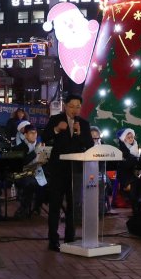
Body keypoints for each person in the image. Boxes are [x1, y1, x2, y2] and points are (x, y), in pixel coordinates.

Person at [42, 94, 93, 252]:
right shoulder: (56, 119)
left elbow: (90, 145)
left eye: (78, 107)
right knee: (55, 205)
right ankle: (53, 240)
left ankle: (70, 238)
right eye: (72, 106)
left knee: (73, 206)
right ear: (66, 106)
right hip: (58, 170)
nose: (75, 110)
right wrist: (57, 129)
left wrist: (79, 133)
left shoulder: (83, 124)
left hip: (75, 170)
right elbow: (45, 137)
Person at [11, 124, 44, 218]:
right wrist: (34, 152)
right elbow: (21, 163)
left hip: (37, 171)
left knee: (46, 183)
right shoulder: (19, 147)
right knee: (31, 183)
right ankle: (24, 208)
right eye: (31, 133)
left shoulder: (40, 145)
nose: (34, 135)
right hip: (22, 174)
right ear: (25, 135)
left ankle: (37, 207)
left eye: (35, 133)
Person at [115, 128, 141, 215]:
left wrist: (140, 161)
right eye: (128, 137)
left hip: (136, 173)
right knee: (135, 182)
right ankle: (135, 207)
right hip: (125, 175)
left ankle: (140, 201)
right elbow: (123, 166)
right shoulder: (120, 150)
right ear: (123, 139)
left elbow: (140, 165)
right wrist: (135, 160)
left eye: (132, 137)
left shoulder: (137, 147)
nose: (131, 139)